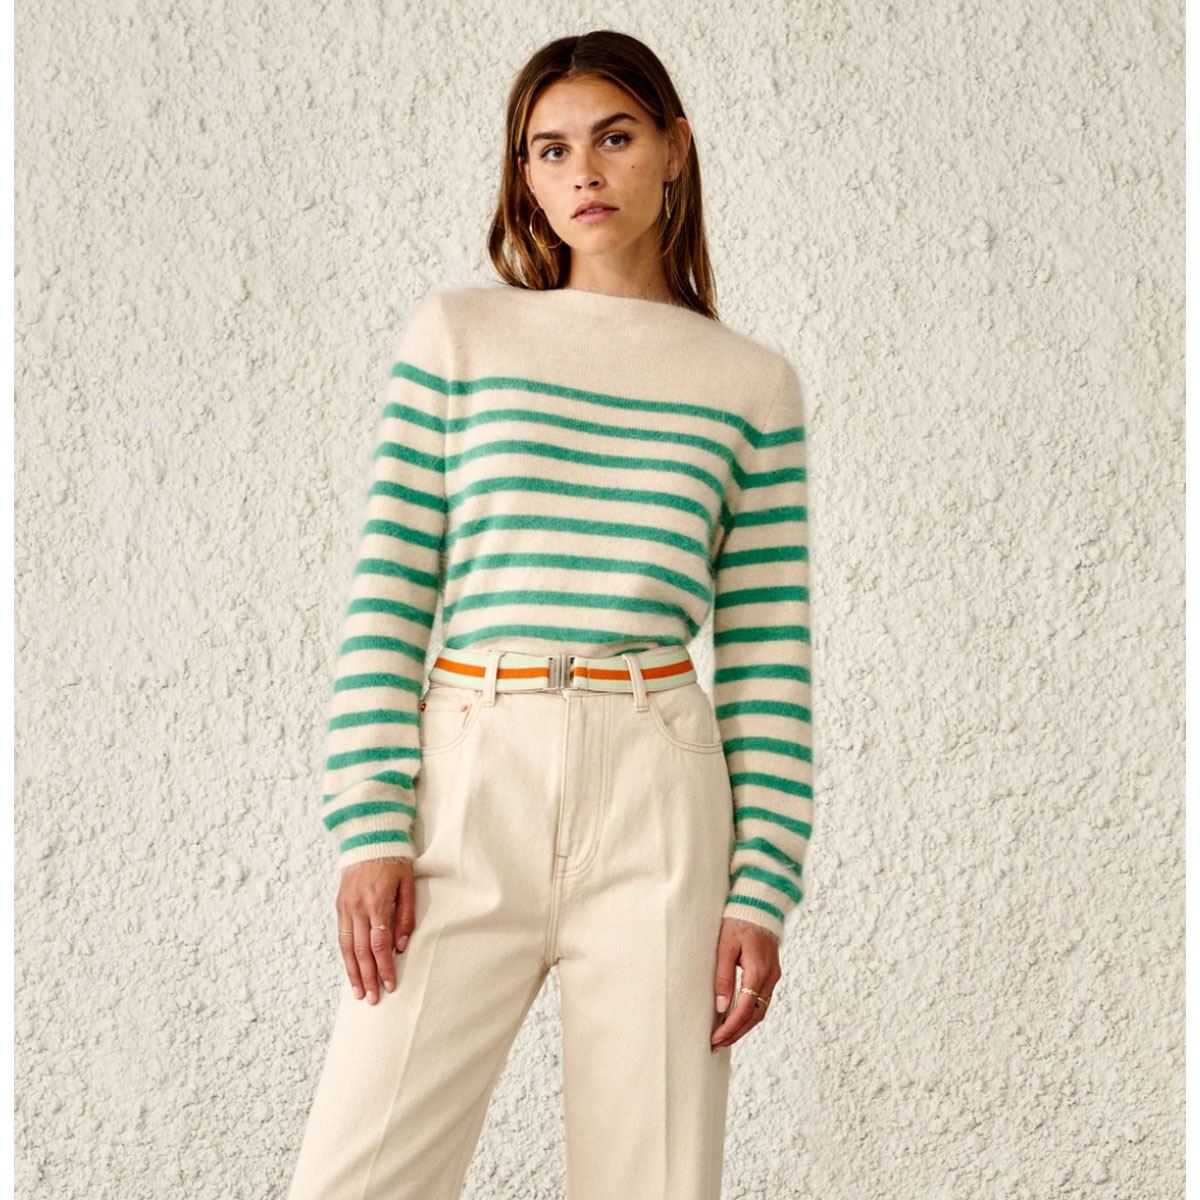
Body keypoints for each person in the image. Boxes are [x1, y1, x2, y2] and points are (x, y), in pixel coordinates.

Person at [286, 29, 813, 1200]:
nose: (585, 172)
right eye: (552, 149)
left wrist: (761, 888)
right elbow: (389, 589)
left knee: (651, 1179)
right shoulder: (459, 338)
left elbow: (771, 651)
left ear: (674, 149)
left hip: (658, 791)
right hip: (472, 773)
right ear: (524, 175)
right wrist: (370, 825)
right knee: (356, 1175)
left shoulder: (751, 385)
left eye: (615, 138)